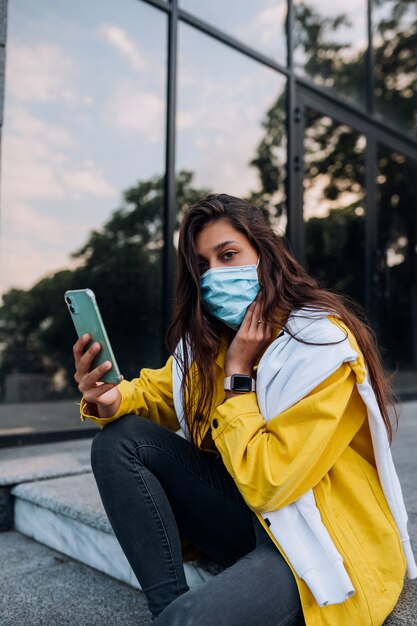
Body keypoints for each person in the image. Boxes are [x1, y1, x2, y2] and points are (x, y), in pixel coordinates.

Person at [73, 193, 416, 626]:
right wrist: (110, 397)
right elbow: (157, 391)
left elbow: (271, 481)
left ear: (265, 255)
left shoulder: (322, 348)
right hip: (250, 520)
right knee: (118, 442)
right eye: (203, 265)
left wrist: (239, 376)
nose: (215, 273)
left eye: (228, 254)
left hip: (317, 540)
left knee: (190, 621)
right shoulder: (210, 343)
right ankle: (167, 609)